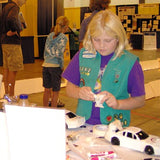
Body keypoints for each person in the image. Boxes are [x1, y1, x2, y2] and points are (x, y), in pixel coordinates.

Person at [62, 10, 145, 127]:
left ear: (118, 38)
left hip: (114, 126)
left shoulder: (130, 63)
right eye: (96, 40)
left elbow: (140, 100)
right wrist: (79, 92)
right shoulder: (82, 56)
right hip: (83, 123)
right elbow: (69, 89)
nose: (101, 45)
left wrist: (118, 104)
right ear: (90, 37)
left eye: (107, 41)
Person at [1, 0, 27, 97]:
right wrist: (13, 30)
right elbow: (11, 19)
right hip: (12, 43)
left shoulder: (6, 7)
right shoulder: (14, 7)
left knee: (6, 68)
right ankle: (11, 95)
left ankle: (7, 92)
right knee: (13, 69)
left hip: (5, 42)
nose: (24, 2)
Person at [42, 16, 69, 108]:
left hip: (45, 65)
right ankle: (53, 111)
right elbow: (59, 54)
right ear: (66, 27)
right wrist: (62, 66)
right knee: (55, 92)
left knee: (46, 90)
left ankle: (44, 109)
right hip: (55, 66)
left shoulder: (50, 35)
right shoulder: (63, 38)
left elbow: (45, 51)